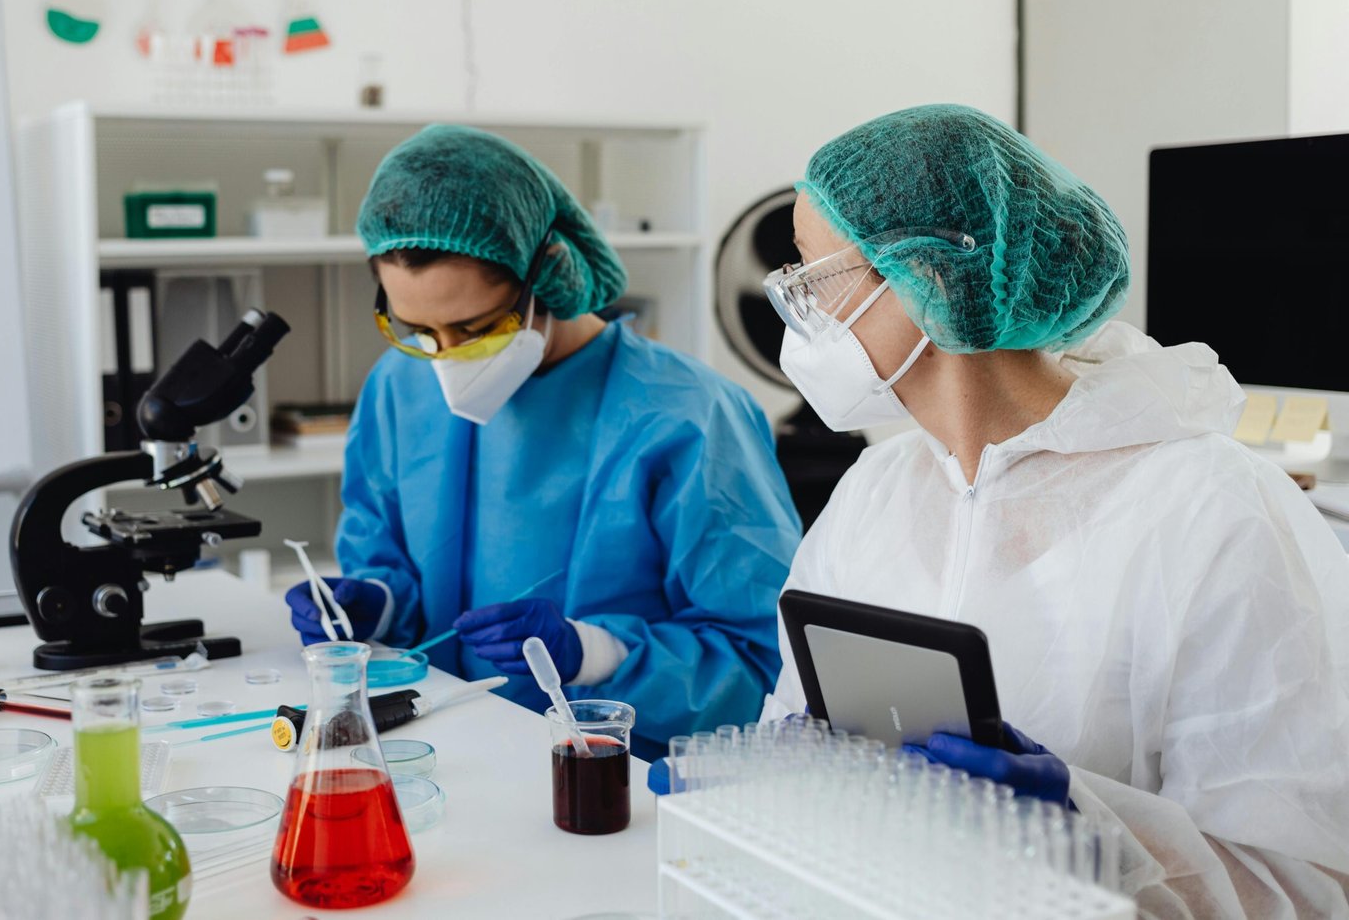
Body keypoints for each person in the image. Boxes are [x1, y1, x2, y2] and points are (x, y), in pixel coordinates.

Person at [760, 104, 1349, 916]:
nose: (794, 307)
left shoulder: (1212, 510)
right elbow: (789, 714)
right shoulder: (877, 490)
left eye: (809, 275)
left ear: (929, 278)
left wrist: (1085, 826)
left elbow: (1308, 885)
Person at [286, 124, 802, 754]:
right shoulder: (400, 384)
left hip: (611, 782)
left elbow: (760, 663)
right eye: (418, 328)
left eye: (473, 326)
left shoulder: (690, 415)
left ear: (548, 275)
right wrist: (376, 603)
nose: (446, 359)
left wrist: (592, 653)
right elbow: (381, 544)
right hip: (439, 753)